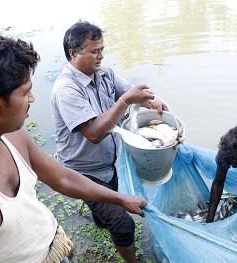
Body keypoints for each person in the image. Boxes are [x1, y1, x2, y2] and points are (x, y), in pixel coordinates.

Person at [0, 26, 147, 263]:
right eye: (26, 93)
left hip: (57, 249)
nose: (33, 99)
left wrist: (121, 199)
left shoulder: (13, 139)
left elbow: (63, 178)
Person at [50, 20, 166, 263]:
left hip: (106, 165)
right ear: (74, 53)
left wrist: (151, 101)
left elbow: (131, 92)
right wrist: (125, 100)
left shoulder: (103, 74)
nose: (101, 56)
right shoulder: (66, 89)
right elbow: (93, 133)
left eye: (102, 49)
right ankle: (132, 261)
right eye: (94, 51)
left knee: (107, 207)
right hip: (81, 172)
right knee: (123, 224)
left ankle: (101, 220)